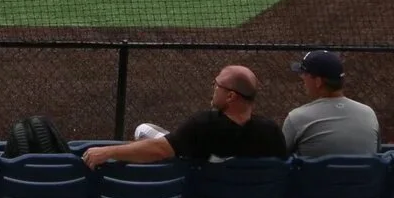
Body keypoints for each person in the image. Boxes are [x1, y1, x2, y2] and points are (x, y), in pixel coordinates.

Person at [85, 64, 285, 165]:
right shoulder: (271, 132)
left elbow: (159, 151)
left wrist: (108, 152)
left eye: (218, 85)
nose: (214, 87)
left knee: (144, 131)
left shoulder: (202, 126)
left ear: (231, 96)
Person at [280, 49, 378, 155]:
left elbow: (279, 159)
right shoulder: (369, 114)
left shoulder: (297, 118)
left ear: (318, 81)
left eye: (304, 74)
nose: (302, 78)